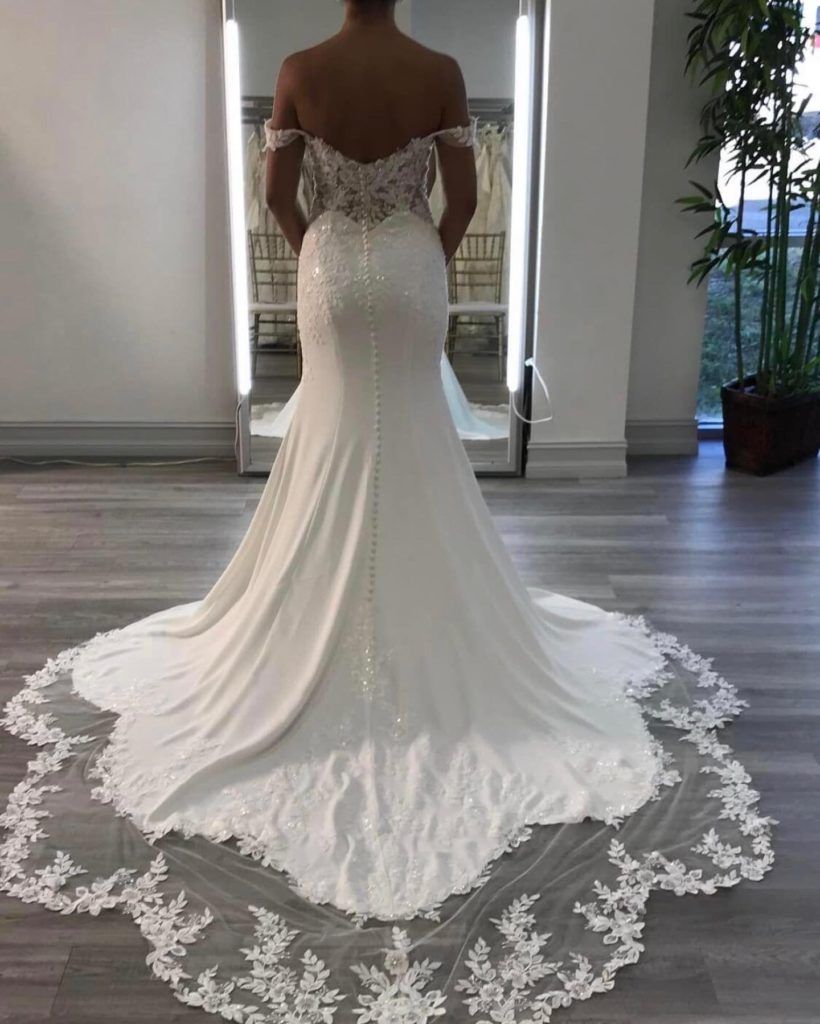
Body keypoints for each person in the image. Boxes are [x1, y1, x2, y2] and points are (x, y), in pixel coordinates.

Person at [2, 1, 773, 1017]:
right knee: (408, 434)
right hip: (410, 269)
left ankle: (316, 612)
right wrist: (419, 249)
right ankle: (420, 618)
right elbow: (462, 198)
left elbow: (276, 191)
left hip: (329, 271)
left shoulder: (298, 66)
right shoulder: (441, 66)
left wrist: (322, 242)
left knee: (331, 434)